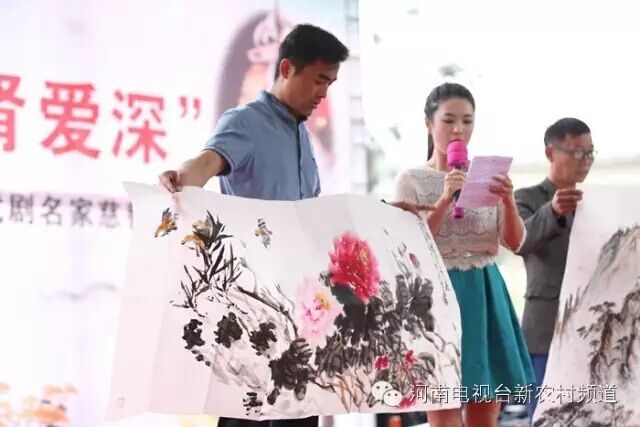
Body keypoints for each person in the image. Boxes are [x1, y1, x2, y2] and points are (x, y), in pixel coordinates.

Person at [159, 23, 428, 427]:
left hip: (301, 309)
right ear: (286, 69)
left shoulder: (304, 138)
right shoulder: (244, 122)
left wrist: (386, 213)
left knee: (299, 416)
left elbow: (315, 217)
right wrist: (180, 178)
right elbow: (205, 163)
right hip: (252, 306)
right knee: (247, 417)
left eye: (331, 84)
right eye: (319, 80)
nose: (324, 94)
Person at [393, 82, 535, 427]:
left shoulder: (487, 176)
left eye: (467, 121)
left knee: (486, 414)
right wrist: (445, 199)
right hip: (435, 299)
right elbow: (406, 247)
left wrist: (508, 201)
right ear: (428, 124)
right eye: (449, 120)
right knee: (442, 410)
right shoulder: (410, 180)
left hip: (485, 293)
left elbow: (515, 243)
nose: (459, 129)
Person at [514, 118, 594, 422]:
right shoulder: (527, 198)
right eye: (577, 152)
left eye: (590, 153)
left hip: (591, 327)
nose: (585, 160)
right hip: (544, 328)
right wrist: (553, 211)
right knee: (545, 415)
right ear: (550, 153)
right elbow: (521, 240)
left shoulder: (595, 203)